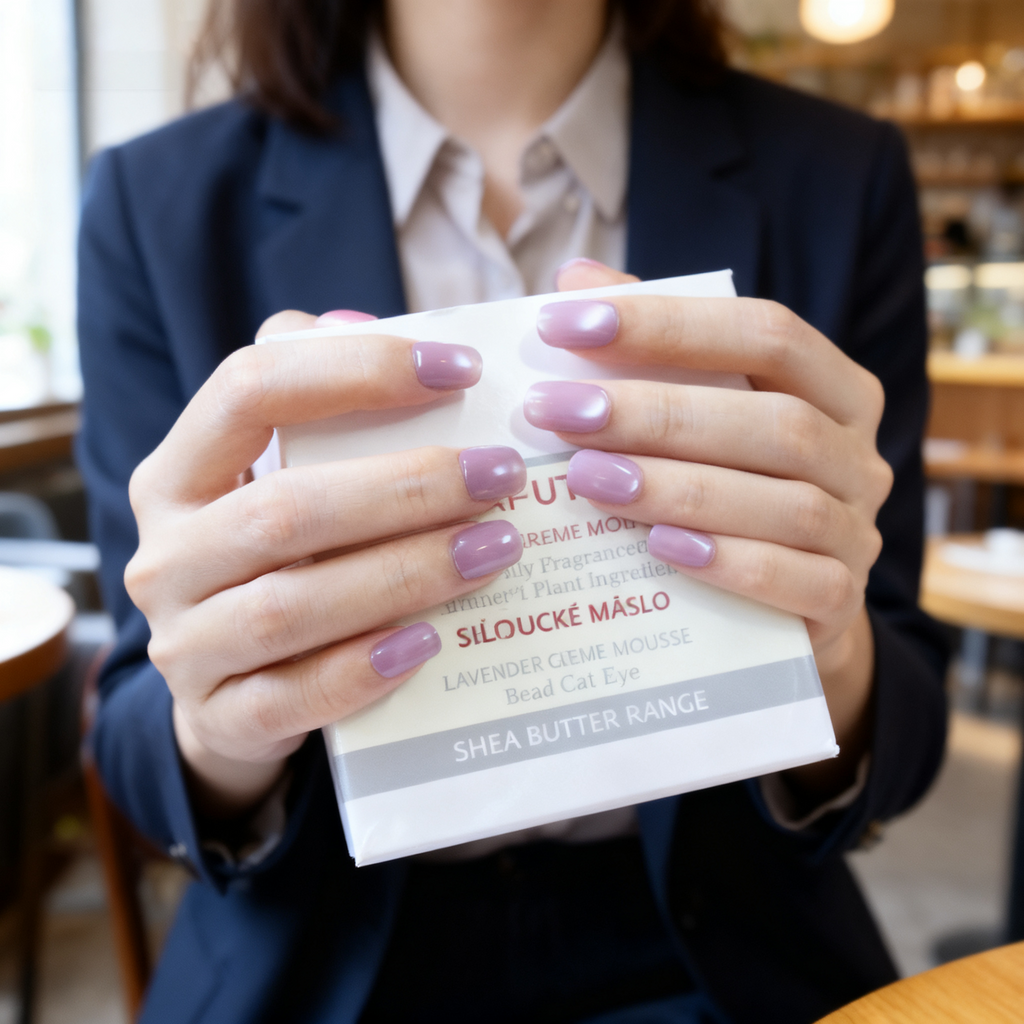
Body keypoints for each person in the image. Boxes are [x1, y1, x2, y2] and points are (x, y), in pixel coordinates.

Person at [76, 1, 948, 1021]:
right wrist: (229, 724)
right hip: (320, 952)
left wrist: (828, 647)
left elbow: (911, 711)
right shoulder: (156, 201)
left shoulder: (838, 176)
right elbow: (137, 720)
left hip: (721, 946)